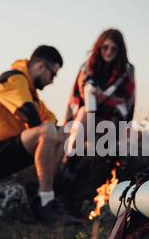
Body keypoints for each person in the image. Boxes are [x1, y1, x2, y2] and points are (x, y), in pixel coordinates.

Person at [0, 45, 74, 224]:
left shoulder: (29, 91)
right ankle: (44, 202)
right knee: (48, 133)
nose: (52, 81)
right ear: (40, 66)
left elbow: (52, 119)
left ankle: (46, 192)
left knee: (62, 133)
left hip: (6, 153)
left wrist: (56, 130)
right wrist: (49, 129)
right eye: (53, 74)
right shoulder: (12, 80)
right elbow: (31, 116)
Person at [58, 29, 136, 214]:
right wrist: (96, 97)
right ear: (98, 48)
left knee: (97, 143)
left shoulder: (127, 71)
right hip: (84, 121)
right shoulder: (88, 67)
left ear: (120, 51)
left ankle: (75, 174)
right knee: (86, 111)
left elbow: (126, 103)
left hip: (111, 122)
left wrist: (101, 98)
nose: (108, 52)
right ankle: (68, 162)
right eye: (105, 47)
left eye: (114, 49)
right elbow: (83, 96)